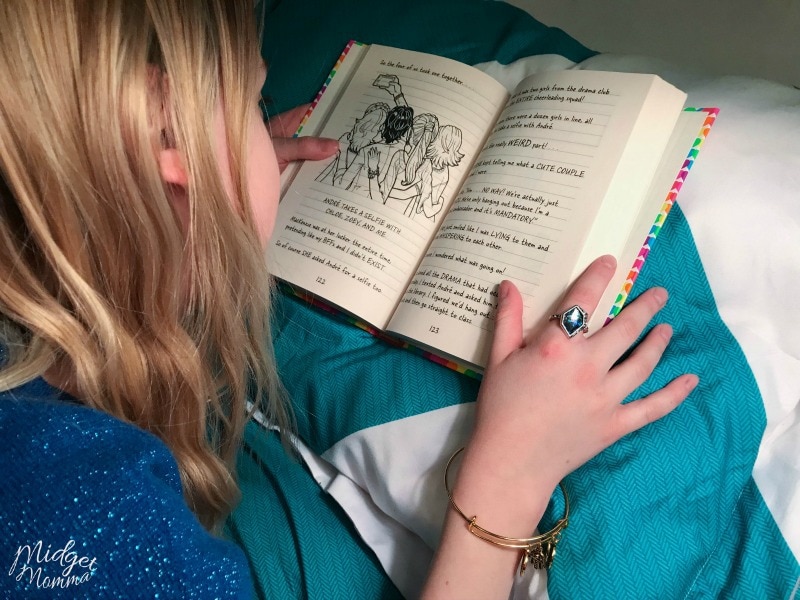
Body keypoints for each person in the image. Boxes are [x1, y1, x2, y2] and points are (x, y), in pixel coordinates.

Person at [0, 2, 698, 598]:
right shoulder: (95, 512)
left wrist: (188, 214)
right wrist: (509, 476)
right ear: (167, 139)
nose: (263, 120)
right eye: (252, 101)